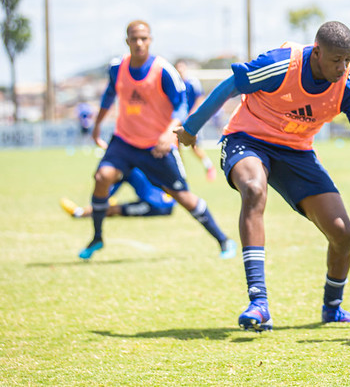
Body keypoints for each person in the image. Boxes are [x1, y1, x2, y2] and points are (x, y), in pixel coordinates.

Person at [175, 21, 350, 331]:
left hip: (296, 153)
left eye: (348, 59)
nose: (343, 67)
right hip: (247, 140)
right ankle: (259, 303)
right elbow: (230, 86)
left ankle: (333, 308)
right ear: (316, 53)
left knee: (342, 232)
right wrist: (191, 127)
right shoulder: (280, 65)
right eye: (336, 60)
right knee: (253, 189)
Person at [80, 20, 236, 261]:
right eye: (134, 38)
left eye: (144, 38)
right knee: (102, 177)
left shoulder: (163, 70)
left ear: (150, 40)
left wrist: (168, 133)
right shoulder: (117, 68)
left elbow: (181, 105)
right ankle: (97, 238)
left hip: (156, 146)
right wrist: (98, 124)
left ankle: (223, 240)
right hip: (124, 141)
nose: (139, 43)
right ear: (127, 41)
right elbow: (109, 95)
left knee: (182, 197)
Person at [60, 167, 176, 218]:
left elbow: (107, 194)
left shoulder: (126, 170)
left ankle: (79, 213)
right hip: (167, 201)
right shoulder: (140, 163)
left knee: (111, 209)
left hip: (156, 206)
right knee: (112, 206)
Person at [175, 60, 218, 181]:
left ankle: (209, 166)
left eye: (182, 68)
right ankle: (180, 174)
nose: (180, 71)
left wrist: (192, 114)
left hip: (191, 120)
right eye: (178, 69)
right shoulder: (175, 84)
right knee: (176, 148)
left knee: (194, 146)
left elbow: (200, 98)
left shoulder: (193, 82)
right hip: (178, 120)